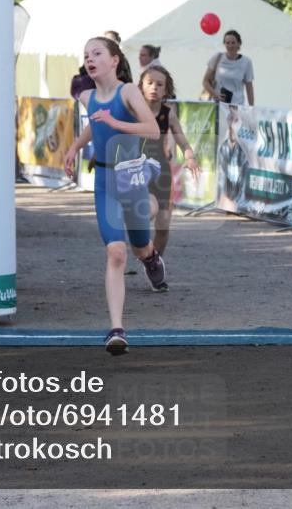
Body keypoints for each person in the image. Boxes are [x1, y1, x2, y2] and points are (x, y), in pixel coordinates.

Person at [63, 36, 164, 355]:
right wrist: (75, 147)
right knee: (116, 253)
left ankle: (150, 257)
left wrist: (115, 121)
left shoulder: (129, 91)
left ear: (114, 60)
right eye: (86, 55)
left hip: (130, 176)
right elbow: (95, 125)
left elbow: (152, 130)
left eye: (97, 53)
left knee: (139, 246)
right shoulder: (89, 96)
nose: (90, 59)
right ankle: (116, 329)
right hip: (105, 179)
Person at [139, 65, 200, 256]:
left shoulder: (168, 114)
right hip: (137, 171)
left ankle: (155, 263)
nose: (154, 88)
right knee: (147, 212)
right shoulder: (133, 111)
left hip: (162, 173)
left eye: (159, 84)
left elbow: (183, 141)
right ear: (141, 86)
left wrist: (190, 157)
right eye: (149, 83)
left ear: (166, 90)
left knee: (164, 227)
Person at [202, 30, 255, 105]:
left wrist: (251, 108)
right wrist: (215, 94)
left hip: (237, 106)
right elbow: (205, 81)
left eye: (233, 43)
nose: (230, 46)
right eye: (227, 43)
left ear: (239, 44)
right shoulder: (217, 57)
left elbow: (249, 88)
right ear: (224, 44)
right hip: (218, 105)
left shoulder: (246, 62)